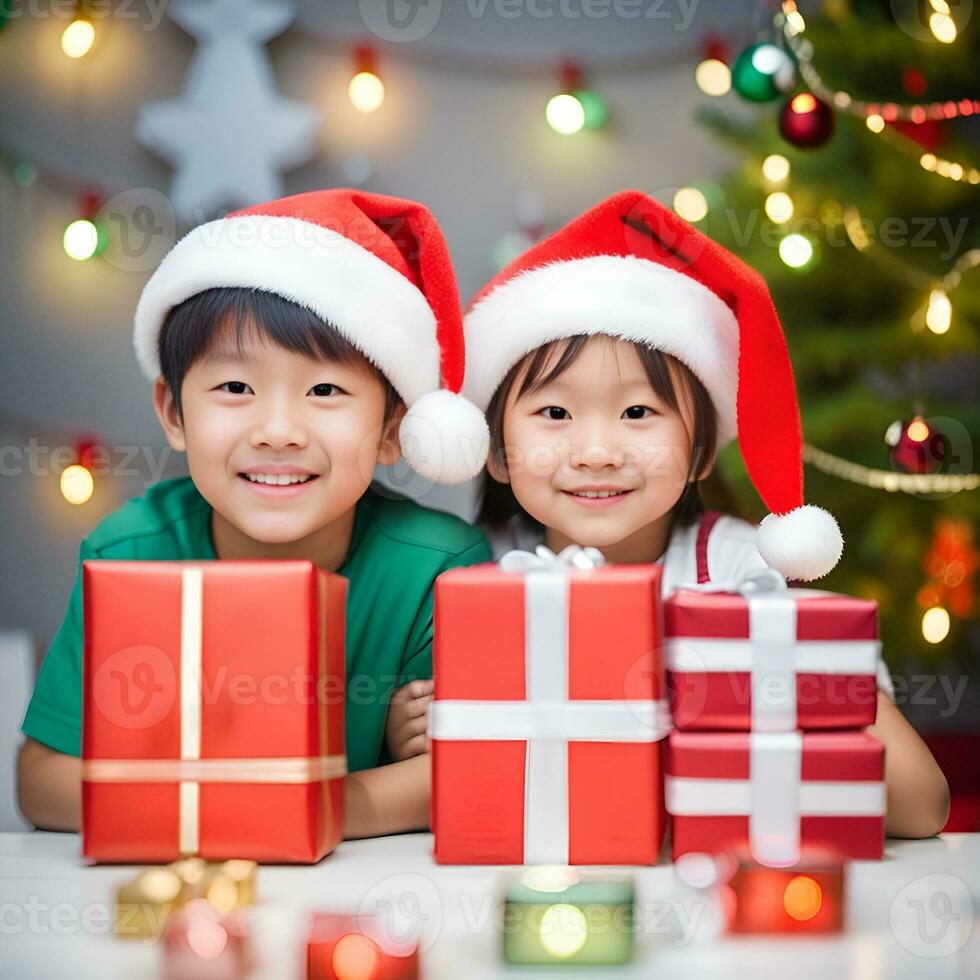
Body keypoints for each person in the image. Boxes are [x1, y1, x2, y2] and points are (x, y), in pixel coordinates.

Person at [462, 190, 949, 839]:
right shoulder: (477, 577)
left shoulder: (747, 573)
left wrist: (767, 676)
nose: (598, 452)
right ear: (496, 451)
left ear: (696, 454)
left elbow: (920, 804)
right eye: (554, 413)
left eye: (639, 413)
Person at [17, 189, 492, 839]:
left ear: (392, 428)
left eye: (325, 390)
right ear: (174, 412)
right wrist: (243, 805)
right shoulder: (128, 552)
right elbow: (43, 779)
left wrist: (304, 807)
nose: (277, 431)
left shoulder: (437, 568)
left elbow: (471, 770)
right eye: (235, 388)